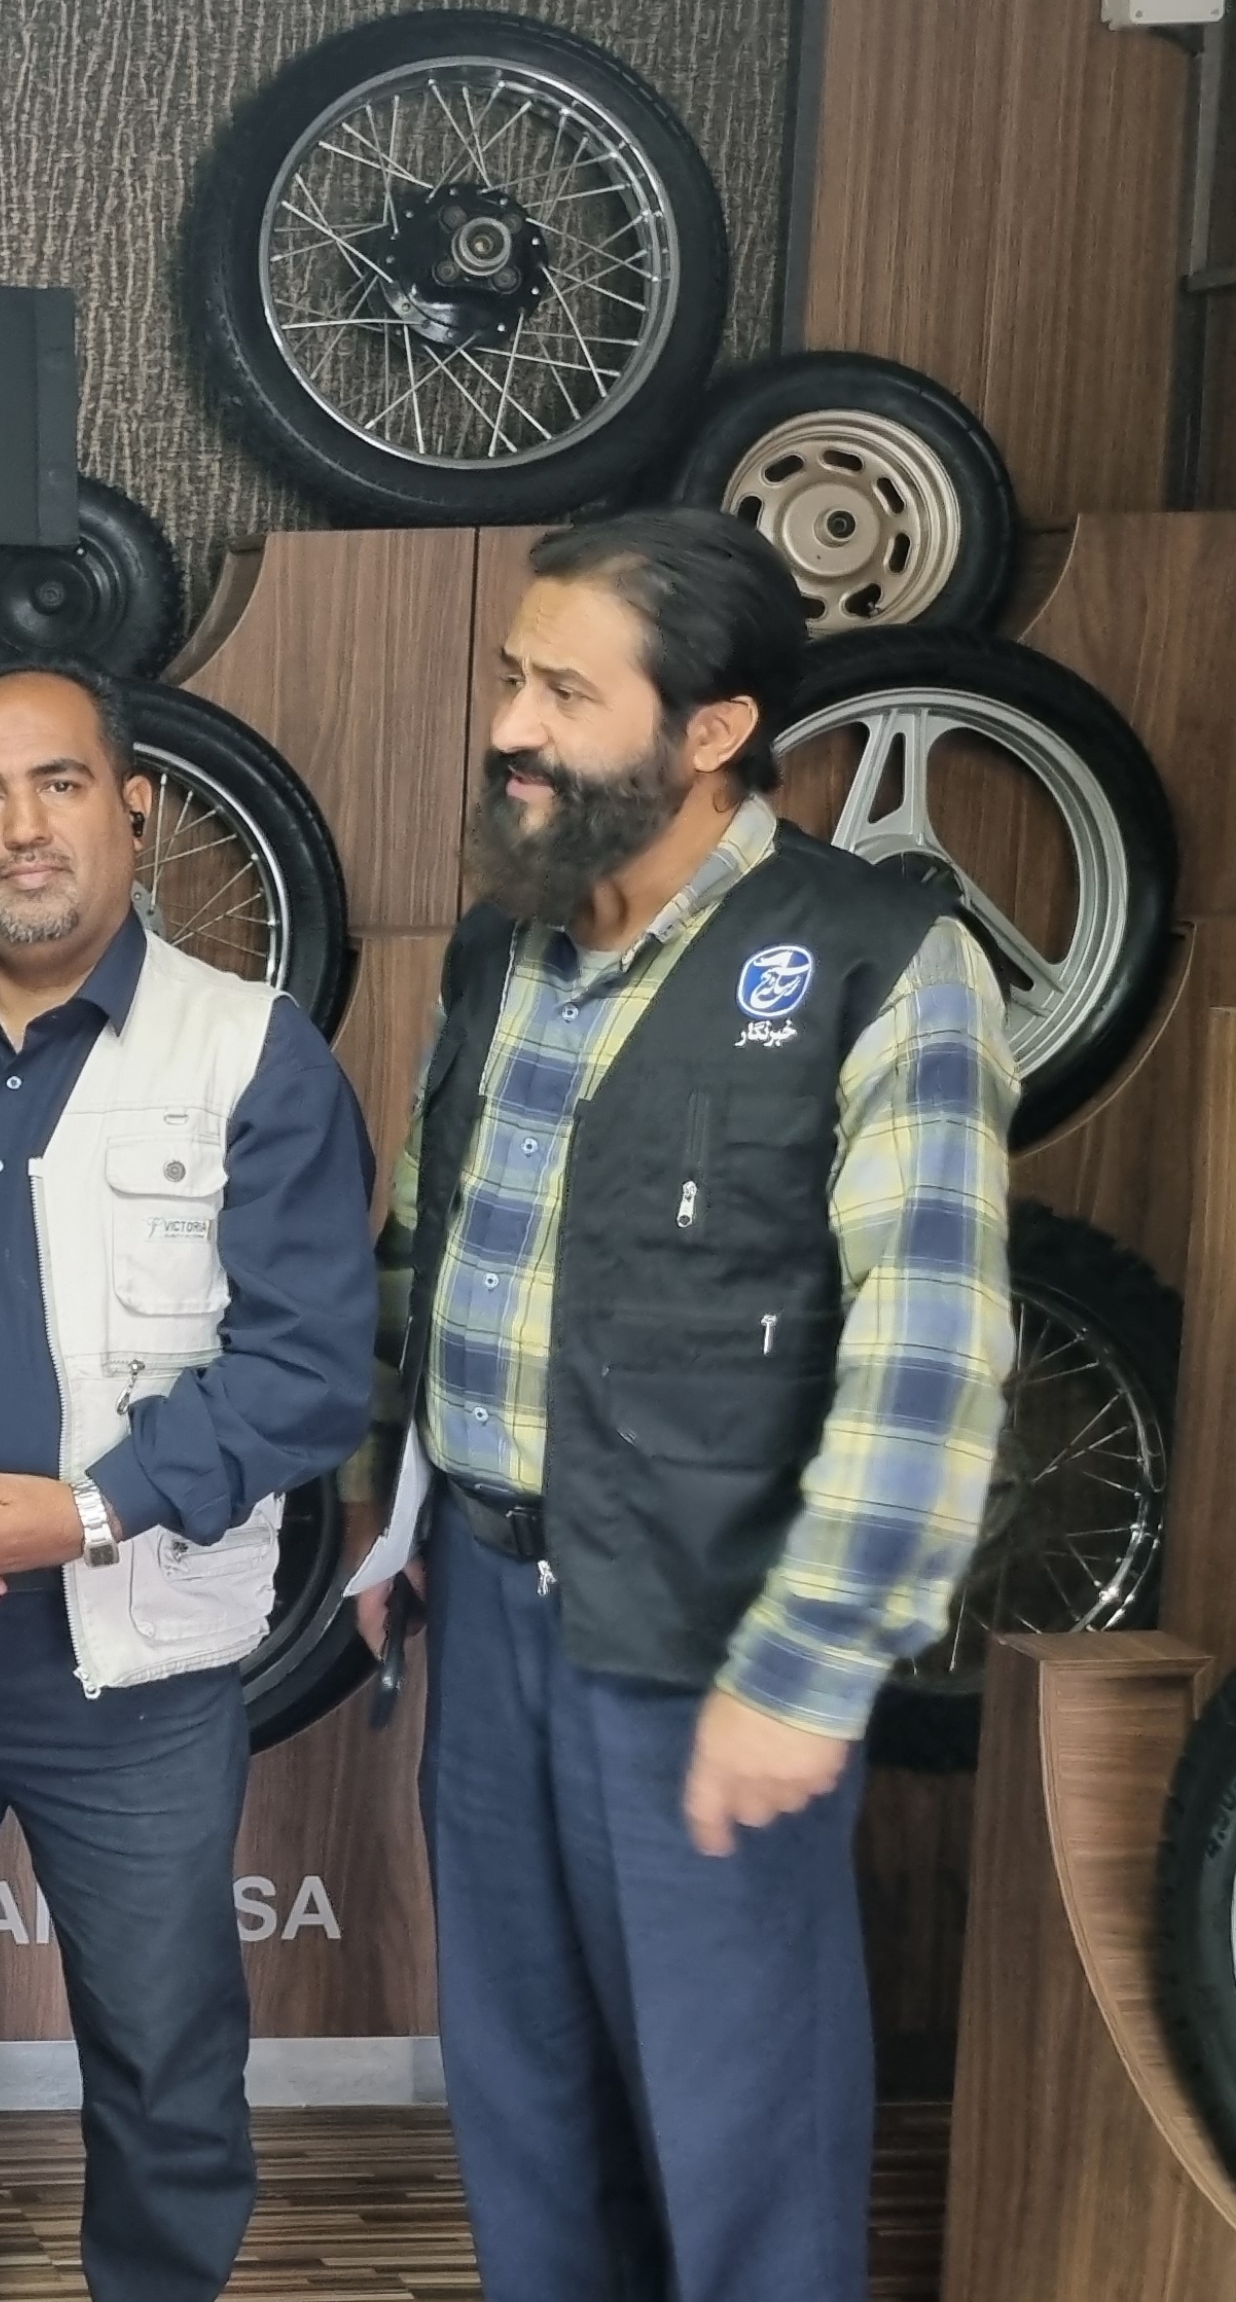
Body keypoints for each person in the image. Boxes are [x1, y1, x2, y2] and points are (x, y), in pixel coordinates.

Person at [368, 508, 1014, 2302]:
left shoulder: (882, 962)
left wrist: (809, 1668)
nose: (511, 726)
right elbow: (435, 1238)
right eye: (512, 676)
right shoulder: (503, 944)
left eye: (566, 692)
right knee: (528, 2096)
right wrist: (394, 1514)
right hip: (486, 1605)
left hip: (711, 1636)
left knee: (738, 2128)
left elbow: (929, 1356)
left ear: (714, 728)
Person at [0, 660, 373, 2301]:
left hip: (131, 1664)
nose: (22, 827)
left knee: (162, 2028)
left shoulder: (252, 1053)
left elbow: (310, 1366)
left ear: (134, 807)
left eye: (58, 784)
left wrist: (88, 1509)